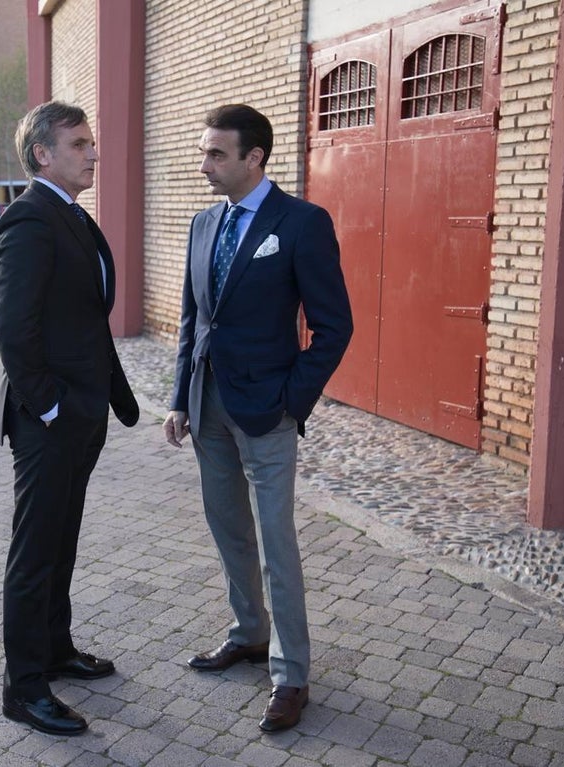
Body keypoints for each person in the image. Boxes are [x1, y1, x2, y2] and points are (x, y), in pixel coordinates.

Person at [162, 104, 353, 733]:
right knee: (228, 531)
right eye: (204, 152)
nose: (205, 165)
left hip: (267, 410)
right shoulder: (202, 223)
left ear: (254, 158)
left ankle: (291, 673)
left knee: (276, 544)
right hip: (208, 407)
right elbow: (193, 319)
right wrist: (179, 398)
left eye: (216, 154)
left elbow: (334, 327)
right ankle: (248, 633)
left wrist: (292, 401)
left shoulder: (301, 223)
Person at [0, 100, 140, 736]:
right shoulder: (29, 218)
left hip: (82, 412)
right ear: (42, 154)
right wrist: (51, 406)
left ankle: (55, 649)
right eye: (79, 144)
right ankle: (24, 688)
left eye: (91, 142)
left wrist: (97, 400)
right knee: (35, 551)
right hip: (49, 419)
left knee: (62, 538)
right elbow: (12, 328)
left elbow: (84, 319)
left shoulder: (70, 214)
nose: (93, 153)